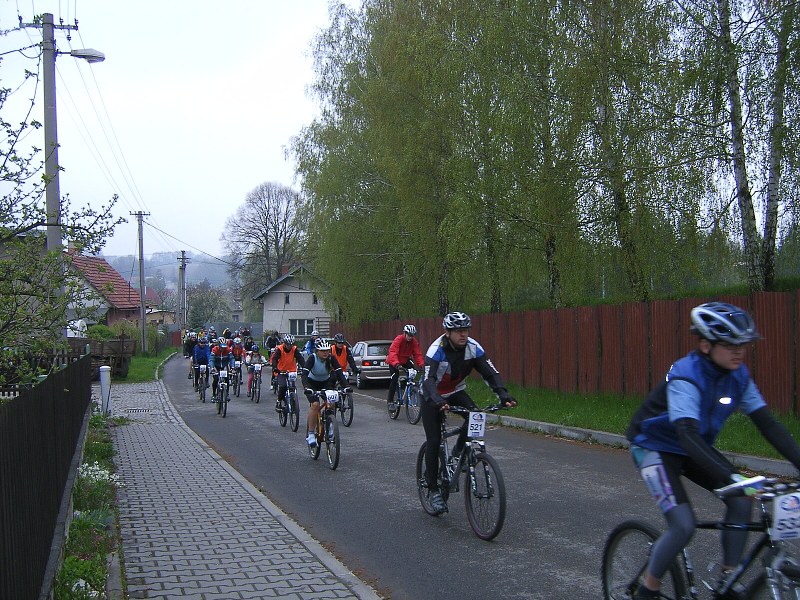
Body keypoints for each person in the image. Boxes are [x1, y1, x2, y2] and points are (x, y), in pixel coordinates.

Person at [626, 302, 800, 599]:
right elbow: (687, 434)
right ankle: (648, 588)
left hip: (692, 447)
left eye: (742, 345)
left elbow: (768, 424)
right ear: (705, 345)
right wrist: (731, 478)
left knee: (741, 502)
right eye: (730, 344)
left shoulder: (738, 376)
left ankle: (727, 579)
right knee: (683, 526)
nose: (739, 352)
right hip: (654, 446)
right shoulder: (686, 375)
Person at [421, 312, 517, 515]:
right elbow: (428, 381)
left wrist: (503, 394)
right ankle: (433, 489)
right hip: (432, 395)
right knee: (434, 440)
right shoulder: (436, 350)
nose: (463, 334)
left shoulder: (473, 348)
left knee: (476, 415)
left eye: (465, 330)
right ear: (447, 333)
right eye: (458, 331)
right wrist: (438, 401)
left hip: (455, 391)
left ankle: (458, 453)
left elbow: (490, 372)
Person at [301, 338, 349, 447]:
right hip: (311, 383)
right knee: (315, 404)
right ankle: (311, 434)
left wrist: (346, 386)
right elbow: (304, 374)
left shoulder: (331, 358)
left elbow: (339, 373)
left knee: (331, 403)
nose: (325, 353)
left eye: (327, 350)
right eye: (322, 351)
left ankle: (330, 426)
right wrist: (306, 387)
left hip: (325, 382)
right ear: (317, 351)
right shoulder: (312, 358)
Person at [387, 324, 425, 408]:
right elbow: (393, 352)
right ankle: (390, 401)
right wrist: (396, 364)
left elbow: (417, 354)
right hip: (394, 361)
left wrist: (422, 365)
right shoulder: (399, 339)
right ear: (404, 333)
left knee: (416, 373)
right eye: (409, 335)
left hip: (405, 360)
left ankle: (409, 386)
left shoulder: (414, 342)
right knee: (394, 379)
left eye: (412, 335)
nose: (410, 337)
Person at [271, 334, 305, 411]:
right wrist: (275, 367)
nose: (290, 346)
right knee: (283, 386)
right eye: (288, 344)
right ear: (285, 343)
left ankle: (293, 401)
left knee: (292, 387)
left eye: (291, 344)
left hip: (291, 370)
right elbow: (275, 359)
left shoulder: (294, 349)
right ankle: (279, 401)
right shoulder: (280, 349)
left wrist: (305, 367)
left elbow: (300, 358)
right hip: (281, 371)